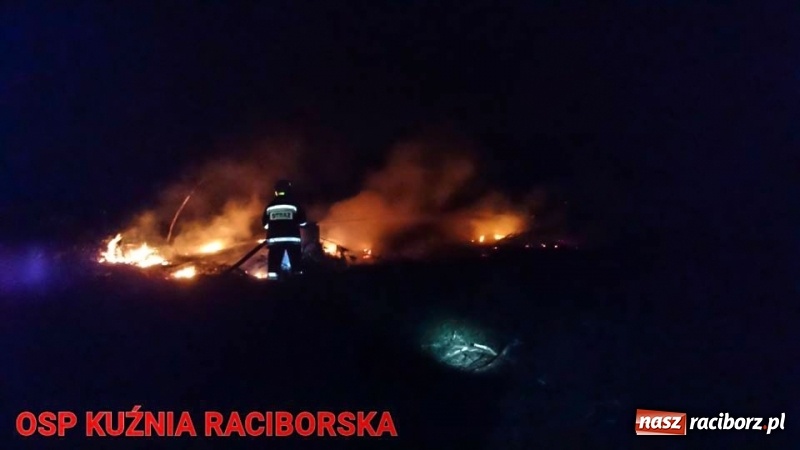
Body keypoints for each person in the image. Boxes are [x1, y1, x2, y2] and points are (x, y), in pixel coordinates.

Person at [261, 180, 307, 279]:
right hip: (292, 240)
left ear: (276, 191)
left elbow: (265, 225)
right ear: (289, 190)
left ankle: (272, 288)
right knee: (296, 266)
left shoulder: (270, 206)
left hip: (275, 241)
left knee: (273, 267)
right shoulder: (295, 204)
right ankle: (298, 287)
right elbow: (303, 222)